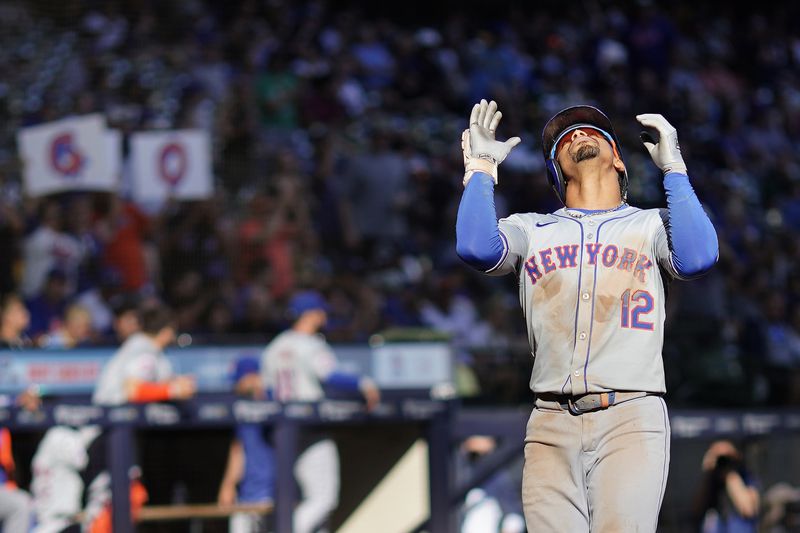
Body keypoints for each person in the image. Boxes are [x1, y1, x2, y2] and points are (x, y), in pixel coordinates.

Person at [455, 99, 718, 531]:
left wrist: (675, 168)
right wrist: (481, 168)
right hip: (549, 421)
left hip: (629, 413)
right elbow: (476, 247)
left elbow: (699, 257)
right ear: (556, 175)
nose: (576, 135)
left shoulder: (653, 223)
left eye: (592, 131)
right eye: (563, 138)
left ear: (618, 157)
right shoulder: (530, 228)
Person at [260, 289, 380, 533]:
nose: (323, 315)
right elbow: (330, 375)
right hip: (311, 428)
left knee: (303, 499)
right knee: (323, 498)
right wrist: (362, 384)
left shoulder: (274, 346)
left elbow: (268, 393)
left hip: (283, 432)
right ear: (310, 314)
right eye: (319, 311)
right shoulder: (311, 344)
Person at [87, 302, 196, 532]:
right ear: (167, 330)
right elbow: (132, 390)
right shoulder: (144, 350)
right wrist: (173, 389)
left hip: (115, 434)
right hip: (105, 435)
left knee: (126, 497)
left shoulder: (141, 348)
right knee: (114, 501)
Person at [217, 356, 276, 533]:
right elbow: (238, 450)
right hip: (247, 495)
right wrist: (228, 485)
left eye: (238, 380)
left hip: (272, 493)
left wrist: (262, 391)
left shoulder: (274, 402)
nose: (235, 387)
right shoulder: (242, 408)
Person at [692, 440, 760, 533]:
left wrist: (730, 475)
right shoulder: (711, 480)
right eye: (720, 459)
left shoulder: (746, 478)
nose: (723, 463)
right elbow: (696, 510)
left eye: (727, 458)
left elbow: (748, 510)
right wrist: (708, 472)